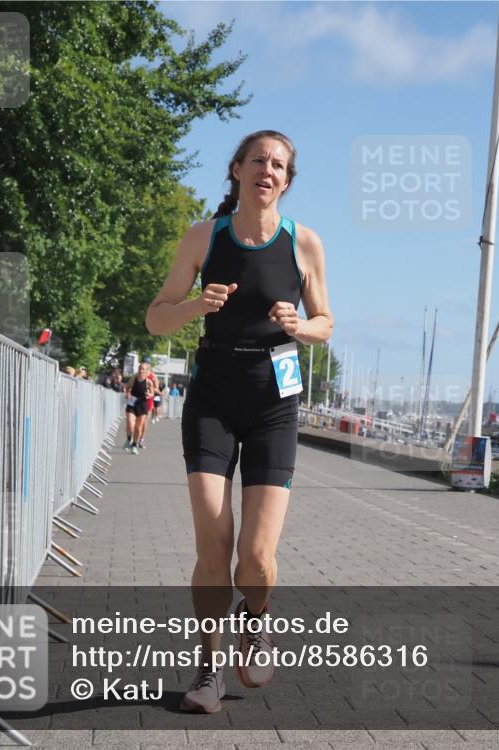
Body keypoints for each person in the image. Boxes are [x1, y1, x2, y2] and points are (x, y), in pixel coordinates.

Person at [145, 130, 333, 713]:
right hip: (213, 399)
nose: (267, 171)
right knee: (212, 545)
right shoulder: (205, 237)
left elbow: (326, 320)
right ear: (236, 169)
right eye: (258, 160)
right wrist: (196, 306)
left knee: (254, 555)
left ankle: (257, 618)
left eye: (278, 165)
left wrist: (300, 326)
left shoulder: (304, 243)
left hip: (275, 403)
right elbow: (155, 319)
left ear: (287, 180)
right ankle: (208, 668)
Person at [123, 362, 154, 454]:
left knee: (138, 427)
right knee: (130, 425)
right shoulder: (133, 378)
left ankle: (134, 445)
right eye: (140, 368)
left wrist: (149, 394)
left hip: (142, 404)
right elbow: (127, 387)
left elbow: (152, 393)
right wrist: (127, 393)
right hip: (132, 403)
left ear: (146, 371)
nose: (141, 370)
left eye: (143, 369)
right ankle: (129, 440)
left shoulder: (149, 382)